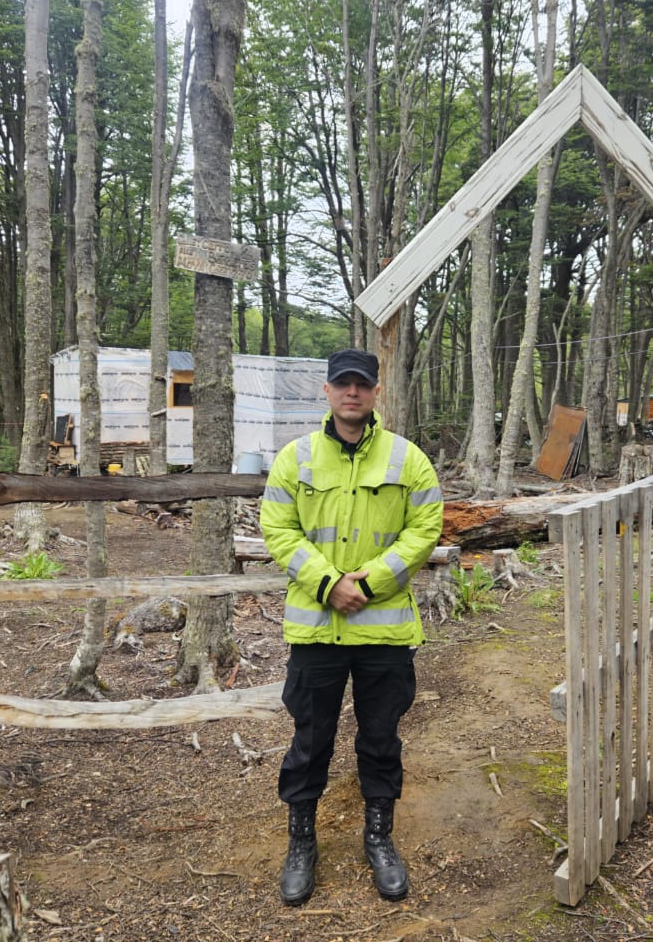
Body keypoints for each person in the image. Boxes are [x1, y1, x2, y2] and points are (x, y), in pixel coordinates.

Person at [259, 348, 443, 906]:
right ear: (327, 390)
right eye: (343, 384)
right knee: (309, 741)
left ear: (376, 391)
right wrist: (327, 583)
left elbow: (425, 528)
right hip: (317, 633)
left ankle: (380, 838)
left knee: (381, 740)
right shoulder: (295, 458)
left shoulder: (408, 460)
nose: (352, 393)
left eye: (362, 384)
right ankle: (301, 842)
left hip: (382, 634)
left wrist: (367, 585)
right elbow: (278, 529)